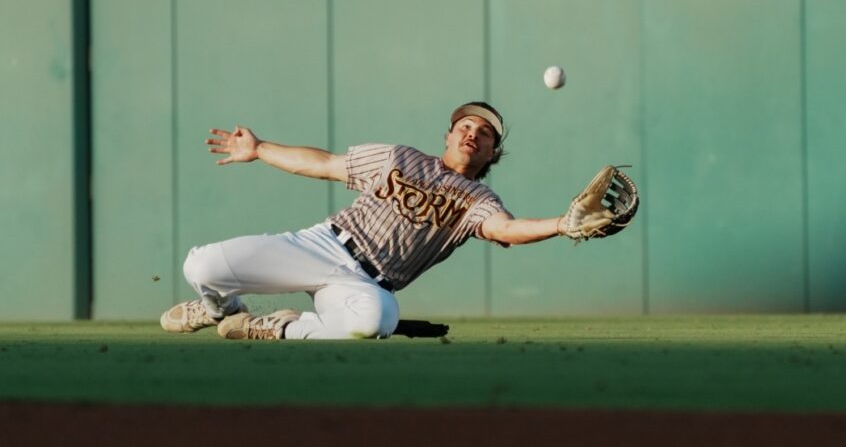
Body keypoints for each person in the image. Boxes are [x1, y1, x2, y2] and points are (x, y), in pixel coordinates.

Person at [161, 102, 568, 340]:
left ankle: (279, 326)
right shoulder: (399, 158)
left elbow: (506, 230)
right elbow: (324, 164)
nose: (472, 134)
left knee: (374, 320)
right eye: (464, 126)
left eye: (484, 134)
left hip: (365, 283)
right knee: (200, 265)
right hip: (322, 245)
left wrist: (562, 224)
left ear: (492, 153)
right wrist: (260, 148)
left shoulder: (478, 199)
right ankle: (220, 309)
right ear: (447, 136)